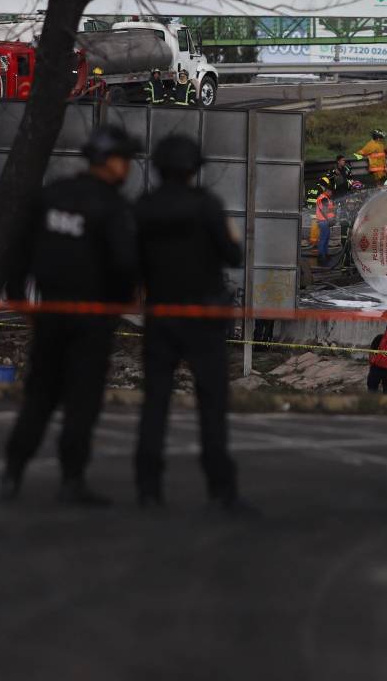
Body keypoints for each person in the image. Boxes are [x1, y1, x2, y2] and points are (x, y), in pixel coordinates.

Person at [1, 124, 141, 506]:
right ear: (109, 162)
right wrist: (118, 305)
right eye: (124, 159)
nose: (127, 167)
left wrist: (20, 299)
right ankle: (72, 479)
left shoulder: (51, 196)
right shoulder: (113, 208)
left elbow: (20, 251)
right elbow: (126, 265)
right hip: (92, 319)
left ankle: (13, 471)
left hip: (49, 311)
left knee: (40, 395)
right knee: (82, 400)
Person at [134, 134, 244, 509]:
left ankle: (148, 489)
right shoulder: (207, 206)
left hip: (161, 315)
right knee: (212, 405)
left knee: (155, 404)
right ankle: (220, 489)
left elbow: (130, 261)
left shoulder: (144, 207)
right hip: (203, 317)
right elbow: (233, 256)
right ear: (194, 169)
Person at [314, 185, 336, 267]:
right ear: (327, 191)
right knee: (323, 240)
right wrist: (329, 219)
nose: (331, 194)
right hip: (324, 221)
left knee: (325, 240)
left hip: (324, 221)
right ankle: (322, 258)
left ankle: (325, 256)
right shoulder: (323, 198)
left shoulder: (324, 198)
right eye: (331, 192)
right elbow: (324, 210)